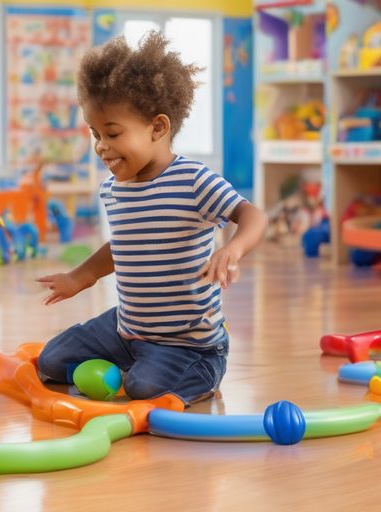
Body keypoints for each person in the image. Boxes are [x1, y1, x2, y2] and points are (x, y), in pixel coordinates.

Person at [35, 32, 268, 406]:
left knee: (143, 389)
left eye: (112, 133)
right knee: (50, 360)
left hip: (188, 342)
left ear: (158, 128)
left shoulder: (193, 180)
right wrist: (80, 276)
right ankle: (136, 359)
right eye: (95, 134)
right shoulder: (114, 188)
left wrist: (233, 250)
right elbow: (125, 246)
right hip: (128, 328)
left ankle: (203, 370)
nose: (101, 146)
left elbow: (252, 215)